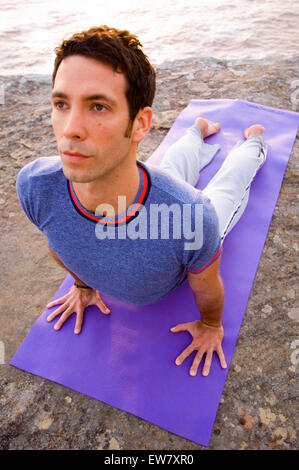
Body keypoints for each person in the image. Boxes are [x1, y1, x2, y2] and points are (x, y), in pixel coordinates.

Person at [16, 26, 267, 378]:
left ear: (139, 124)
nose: (70, 128)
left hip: (181, 212)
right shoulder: (35, 185)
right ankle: (197, 131)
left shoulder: (193, 217)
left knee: (224, 190)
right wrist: (83, 285)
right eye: (61, 104)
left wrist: (211, 325)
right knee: (171, 171)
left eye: (98, 106)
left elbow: (209, 287)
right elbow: (60, 244)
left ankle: (254, 143)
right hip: (145, 187)